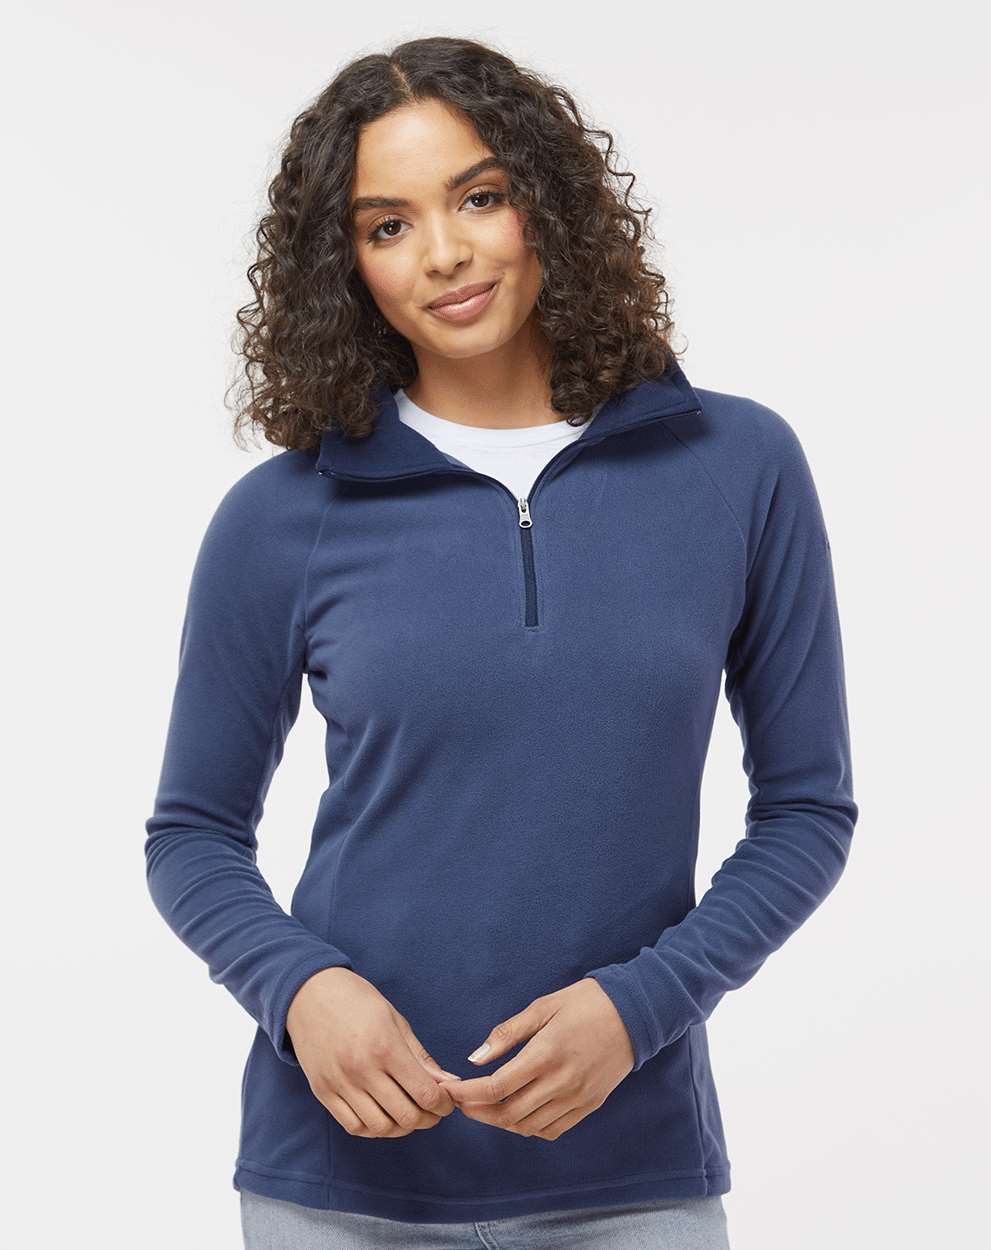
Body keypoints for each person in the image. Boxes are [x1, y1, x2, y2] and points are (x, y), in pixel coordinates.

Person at [144, 35, 859, 1250]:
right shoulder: (282, 515)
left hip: (631, 1174)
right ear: (346, 268)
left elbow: (806, 811)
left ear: (548, 203)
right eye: (387, 225)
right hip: (337, 1181)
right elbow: (192, 834)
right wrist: (301, 989)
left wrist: (642, 1006)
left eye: (478, 197)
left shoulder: (734, 465)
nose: (444, 252)